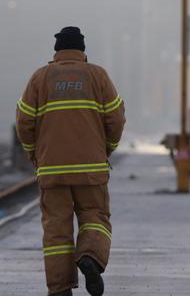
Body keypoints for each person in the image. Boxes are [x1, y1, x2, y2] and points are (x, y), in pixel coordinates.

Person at [16, 27, 126, 296]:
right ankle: (90, 256)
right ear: (82, 50)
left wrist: (34, 154)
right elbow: (116, 118)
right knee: (95, 216)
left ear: (57, 52)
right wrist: (107, 148)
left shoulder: (40, 78)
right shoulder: (97, 76)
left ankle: (60, 288)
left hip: (52, 169)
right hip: (91, 168)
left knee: (56, 231)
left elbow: (24, 121)